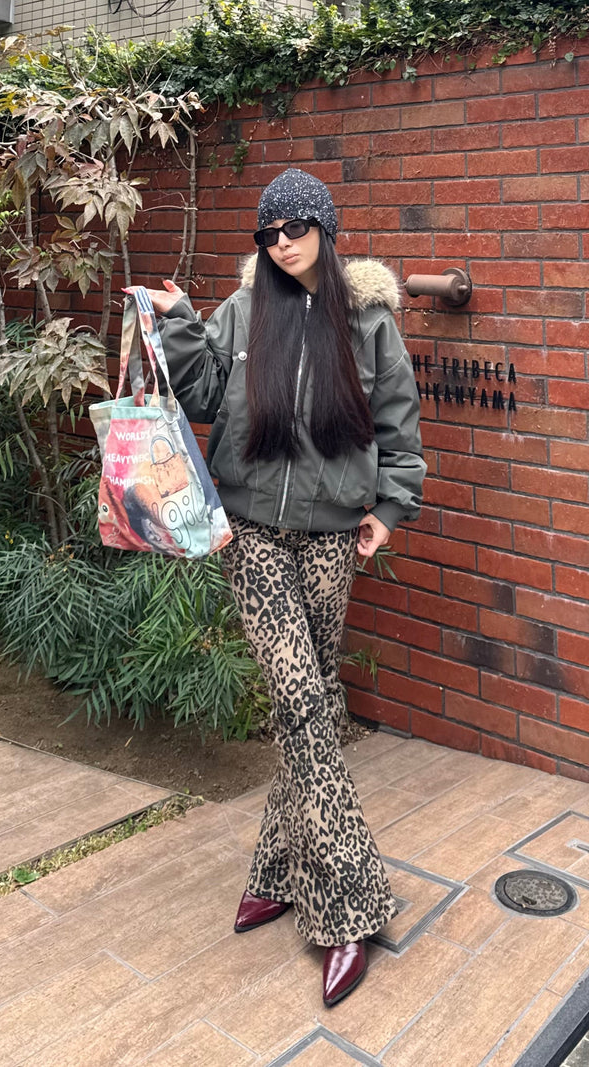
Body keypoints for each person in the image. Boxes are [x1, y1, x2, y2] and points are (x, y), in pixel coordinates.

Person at [132, 168, 426, 1007]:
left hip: (333, 534)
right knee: (300, 698)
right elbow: (202, 397)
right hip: (250, 529)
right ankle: (348, 905)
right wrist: (181, 324)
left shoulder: (368, 321)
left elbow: (399, 424)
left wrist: (389, 509)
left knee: (312, 699)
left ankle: (273, 869)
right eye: (270, 232)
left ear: (325, 230)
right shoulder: (241, 311)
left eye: (297, 227)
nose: (283, 242)